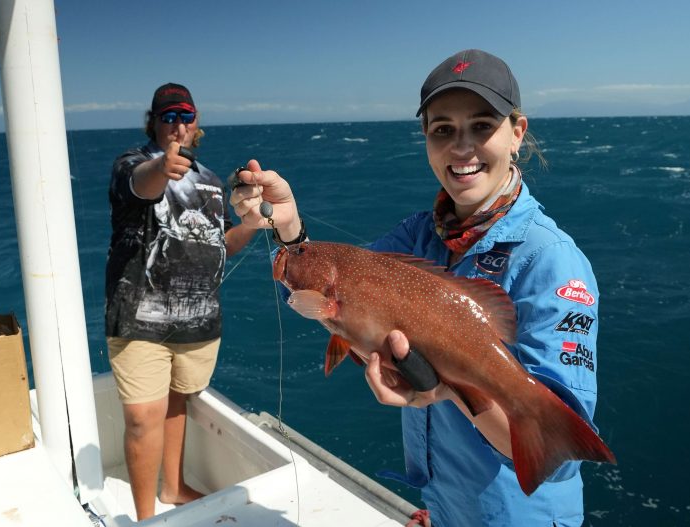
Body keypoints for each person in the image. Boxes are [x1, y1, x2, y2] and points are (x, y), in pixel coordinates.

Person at [230, 49, 602, 526]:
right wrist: (289, 230)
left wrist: (446, 391)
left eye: (482, 125)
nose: (461, 147)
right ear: (426, 139)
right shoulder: (417, 235)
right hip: (446, 508)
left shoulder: (553, 261)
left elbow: (551, 457)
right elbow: (337, 293)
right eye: (442, 129)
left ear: (517, 133)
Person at [104, 83, 257, 520]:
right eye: (168, 116)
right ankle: (145, 516)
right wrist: (162, 166)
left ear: (196, 123)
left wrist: (251, 223)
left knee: (177, 402)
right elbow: (142, 185)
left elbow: (220, 242)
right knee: (141, 418)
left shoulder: (209, 181)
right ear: (152, 121)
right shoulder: (132, 164)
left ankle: (171, 488)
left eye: (185, 116)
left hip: (198, 320)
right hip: (139, 317)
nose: (177, 125)